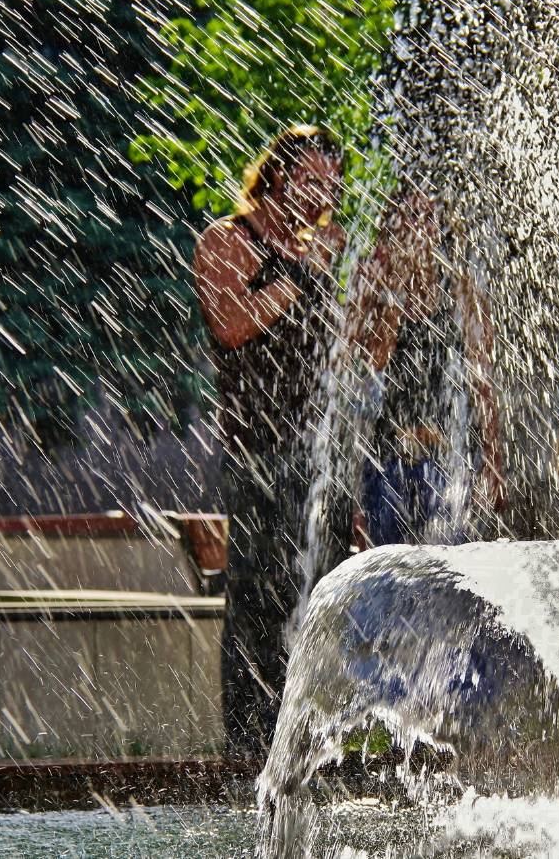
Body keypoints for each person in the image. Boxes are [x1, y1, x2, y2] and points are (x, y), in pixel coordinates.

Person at [193, 124, 346, 758]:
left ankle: (304, 741)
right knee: (257, 596)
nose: (322, 195)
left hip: (315, 451)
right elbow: (229, 326)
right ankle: (248, 747)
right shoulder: (231, 238)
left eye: (332, 184)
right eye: (310, 179)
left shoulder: (319, 247)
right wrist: (299, 277)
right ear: (277, 175)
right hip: (256, 449)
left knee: (316, 596)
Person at [347, 189, 505, 548]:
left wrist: (494, 462)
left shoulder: (462, 291)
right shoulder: (373, 284)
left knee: (445, 572)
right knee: (386, 574)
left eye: (427, 218)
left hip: (448, 461)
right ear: (392, 227)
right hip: (387, 459)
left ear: (441, 228)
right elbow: (371, 369)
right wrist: (394, 299)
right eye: (408, 217)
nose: (418, 229)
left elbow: (483, 382)